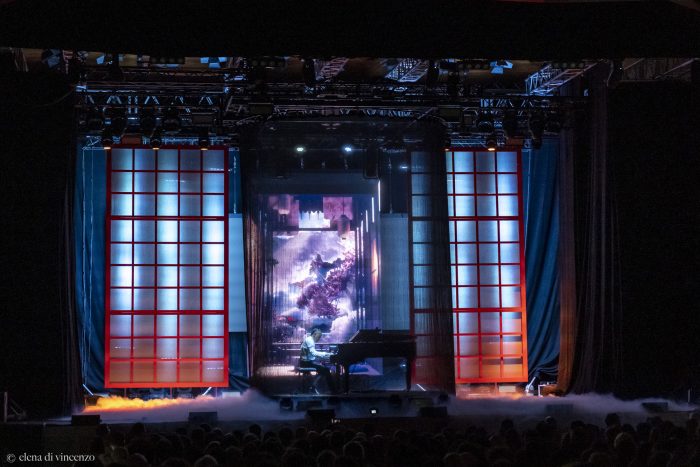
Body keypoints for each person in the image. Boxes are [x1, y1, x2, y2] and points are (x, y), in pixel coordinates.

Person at [300, 328, 337, 393]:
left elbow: (311, 355)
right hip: (306, 363)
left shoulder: (309, 339)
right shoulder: (310, 341)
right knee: (326, 370)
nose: (319, 338)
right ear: (314, 334)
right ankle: (333, 390)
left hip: (306, 362)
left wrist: (324, 356)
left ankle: (313, 385)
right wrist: (326, 354)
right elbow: (313, 353)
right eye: (319, 336)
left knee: (323, 369)